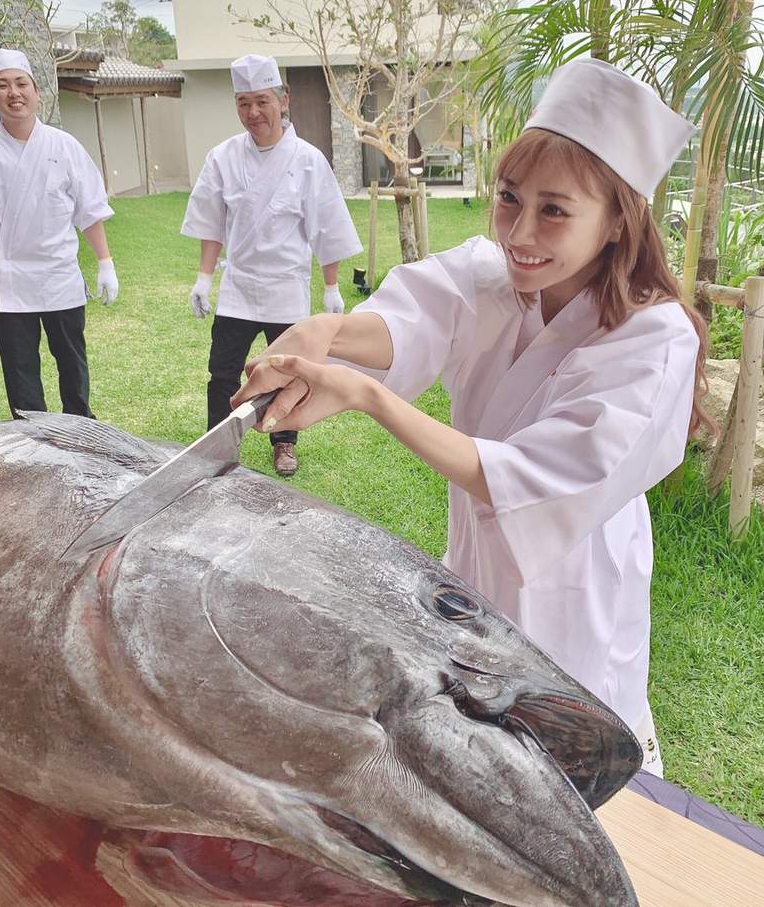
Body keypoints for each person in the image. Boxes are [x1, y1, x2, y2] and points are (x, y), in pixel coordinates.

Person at [233, 57, 711, 775]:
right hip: (480, 565)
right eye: (509, 198)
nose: (520, 230)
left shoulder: (653, 338)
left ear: (618, 221)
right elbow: (411, 320)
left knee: (569, 753)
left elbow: (533, 476)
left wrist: (366, 394)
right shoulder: (493, 279)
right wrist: (324, 333)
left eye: (554, 210)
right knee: (483, 742)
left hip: (578, 577)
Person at [181, 53, 362, 477]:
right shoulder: (222, 157)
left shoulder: (307, 160)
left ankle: (283, 441)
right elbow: (212, 223)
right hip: (239, 285)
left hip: (286, 287)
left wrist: (331, 287)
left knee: (285, 370)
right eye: (243, 102)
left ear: (283, 100)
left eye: (262, 100)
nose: (253, 112)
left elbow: (327, 227)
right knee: (222, 371)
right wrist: (204, 279)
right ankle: (218, 443)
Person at [0, 49, 118, 419]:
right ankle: (31, 437)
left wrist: (105, 262)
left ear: (37, 91)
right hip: (10, 279)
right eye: (2, 85)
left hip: (58, 273)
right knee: (20, 371)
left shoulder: (64, 146)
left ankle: (81, 426)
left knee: (72, 361)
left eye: (21, 83)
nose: (13, 92)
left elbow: (90, 209)